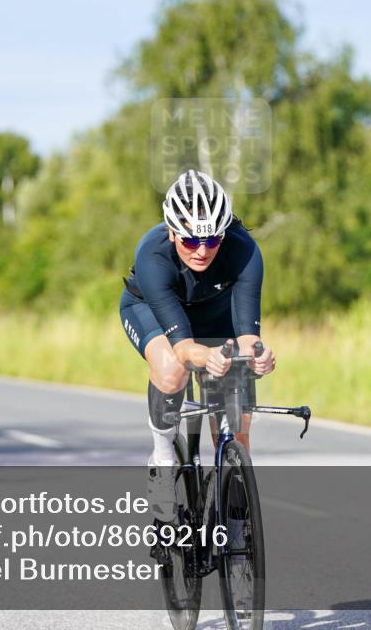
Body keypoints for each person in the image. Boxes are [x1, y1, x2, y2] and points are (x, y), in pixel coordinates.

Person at [119, 169, 276, 523]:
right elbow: (184, 348)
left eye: (212, 240)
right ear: (172, 232)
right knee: (172, 369)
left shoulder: (245, 250)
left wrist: (258, 355)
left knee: (237, 421)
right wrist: (206, 357)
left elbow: (249, 335)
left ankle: (237, 519)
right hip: (154, 313)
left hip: (215, 316)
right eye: (190, 241)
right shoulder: (152, 255)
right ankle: (163, 460)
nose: (202, 251)